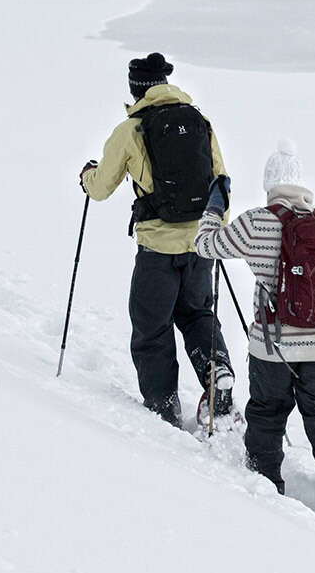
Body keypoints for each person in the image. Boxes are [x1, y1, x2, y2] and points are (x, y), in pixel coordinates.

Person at [195, 140, 315, 534]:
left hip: (272, 348)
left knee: (267, 416)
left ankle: (265, 491)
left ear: (270, 185)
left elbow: (206, 246)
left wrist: (213, 208)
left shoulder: (258, 221)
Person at [79, 52, 233, 428]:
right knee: (197, 314)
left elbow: (100, 190)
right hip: (200, 245)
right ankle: (217, 372)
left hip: (157, 250)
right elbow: (220, 181)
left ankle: (163, 410)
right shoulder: (200, 122)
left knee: (152, 328)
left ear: (136, 89)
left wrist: (87, 176)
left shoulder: (130, 131)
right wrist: (215, 232)